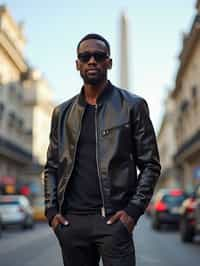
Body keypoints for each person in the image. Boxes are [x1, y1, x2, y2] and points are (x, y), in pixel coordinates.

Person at [44, 33, 161, 266]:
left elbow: (150, 164)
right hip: (71, 223)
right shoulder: (62, 113)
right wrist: (51, 212)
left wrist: (132, 212)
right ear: (77, 64)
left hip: (113, 222)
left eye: (99, 56)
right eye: (85, 56)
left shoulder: (132, 106)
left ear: (109, 62)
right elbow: (52, 167)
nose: (92, 61)